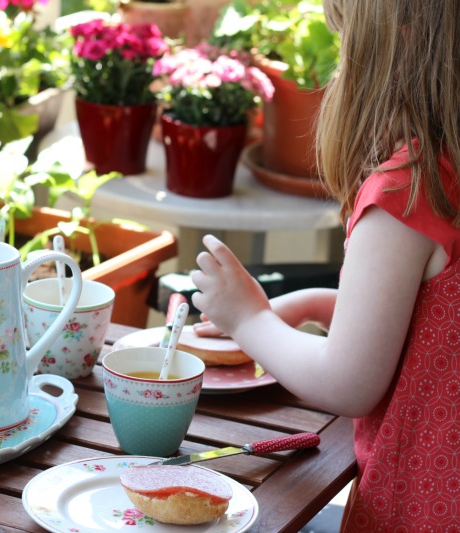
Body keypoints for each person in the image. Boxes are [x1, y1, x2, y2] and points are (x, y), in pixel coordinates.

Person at [189, 1, 460, 530]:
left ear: (390, 47)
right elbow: (437, 330)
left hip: (420, 509)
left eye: (343, 39)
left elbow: (346, 383)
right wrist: (315, 304)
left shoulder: (407, 194)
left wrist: (249, 320)